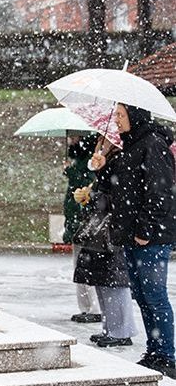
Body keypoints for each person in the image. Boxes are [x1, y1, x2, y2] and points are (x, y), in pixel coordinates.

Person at [103, 103, 176, 377]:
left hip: (150, 237)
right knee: (143, 296)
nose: (118, 120)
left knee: (155, 295)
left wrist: (145, 230)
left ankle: (167, 354)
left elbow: (160, 193)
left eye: (122, 115)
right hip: (132, 235)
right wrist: (100, 167)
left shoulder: (152, 144)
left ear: (135, 116)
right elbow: (117, 187)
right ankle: (154, 351)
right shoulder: (129, 145)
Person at [72, 137, 136, 347]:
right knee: (102, 279)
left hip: (113, 229)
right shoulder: (107, 160)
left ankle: (121, 330)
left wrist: (93, 195)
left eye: (105, 140)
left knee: (114, 279)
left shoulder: (121, 160)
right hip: (104, 227)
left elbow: (118, 196)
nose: (101, 143)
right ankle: (111, 328)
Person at [64, 135, 101, 323]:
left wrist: (71, 172)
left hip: (85, 223)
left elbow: (85, 189)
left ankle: (94, 307)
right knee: (79, 266)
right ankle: (86, 307)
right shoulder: (78, 160)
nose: (70, 139)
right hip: (77, 223)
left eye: (74, 136)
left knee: (88, 265)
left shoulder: (88, 162)